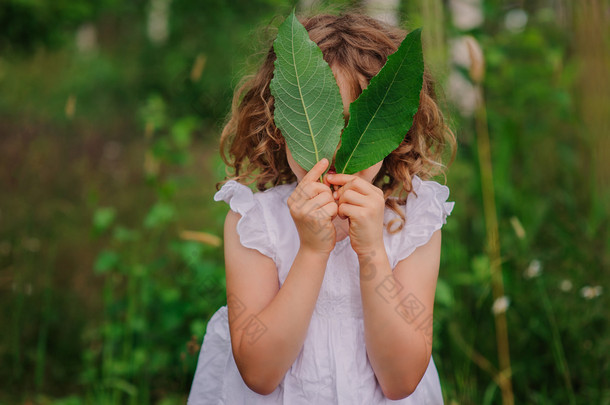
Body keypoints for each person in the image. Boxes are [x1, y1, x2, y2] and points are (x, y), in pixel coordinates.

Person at [187, 11, 456, 405]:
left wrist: (372, 254)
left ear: (391, 133)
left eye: (352, 125)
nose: (334, 151)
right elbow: (259, 374)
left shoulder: (412, 221)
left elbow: (400, 381)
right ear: (283, 128)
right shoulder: (255, 223)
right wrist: (312, 251)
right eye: (318, 126)